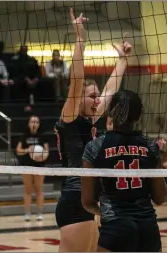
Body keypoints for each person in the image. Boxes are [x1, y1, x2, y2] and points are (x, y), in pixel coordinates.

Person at [54, 8, 132, 252]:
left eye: (97, 96)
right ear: (79, 99)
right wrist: (80, 40)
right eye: (92, 96)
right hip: (74, 197)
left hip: (90, 197)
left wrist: (122, 60)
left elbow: (110, 89)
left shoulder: (90, 120)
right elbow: (76, 81)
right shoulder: (69, 116)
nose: (97, 99)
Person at [81, 90, 167, 252]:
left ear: (111, 113)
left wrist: (106, 213)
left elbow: (87, 201)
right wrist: (158, 162)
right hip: (148, 229)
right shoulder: (150, 146)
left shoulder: (95, 147)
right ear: (138, 116)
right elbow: (160, 198)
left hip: (116, 228)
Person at [16, 115, 49, 221]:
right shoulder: (24, 136)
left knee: (39, 189)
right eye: (32, 122)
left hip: (39, 166)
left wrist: (41, 157)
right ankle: (27, 213)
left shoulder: (42, 136)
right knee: (28, 190)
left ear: (39, 124)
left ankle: (39, 213)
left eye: (36, 122)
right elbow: (18, 150)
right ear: (29, 123)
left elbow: (46, 152)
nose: (34, 124)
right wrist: (28, 150)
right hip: (26, 165)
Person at [11, 45, 42, 111]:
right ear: (20, 50)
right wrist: (26, 78)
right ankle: (24, 104)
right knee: (21, 83)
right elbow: (16, 73)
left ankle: (34, 104)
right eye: (22, 50)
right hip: (21, 80)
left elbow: (38, 71)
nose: (24, 51)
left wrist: (36, 78)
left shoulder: (32, 59)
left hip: (33, 79)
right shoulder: (16, 59)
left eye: (25, 50)